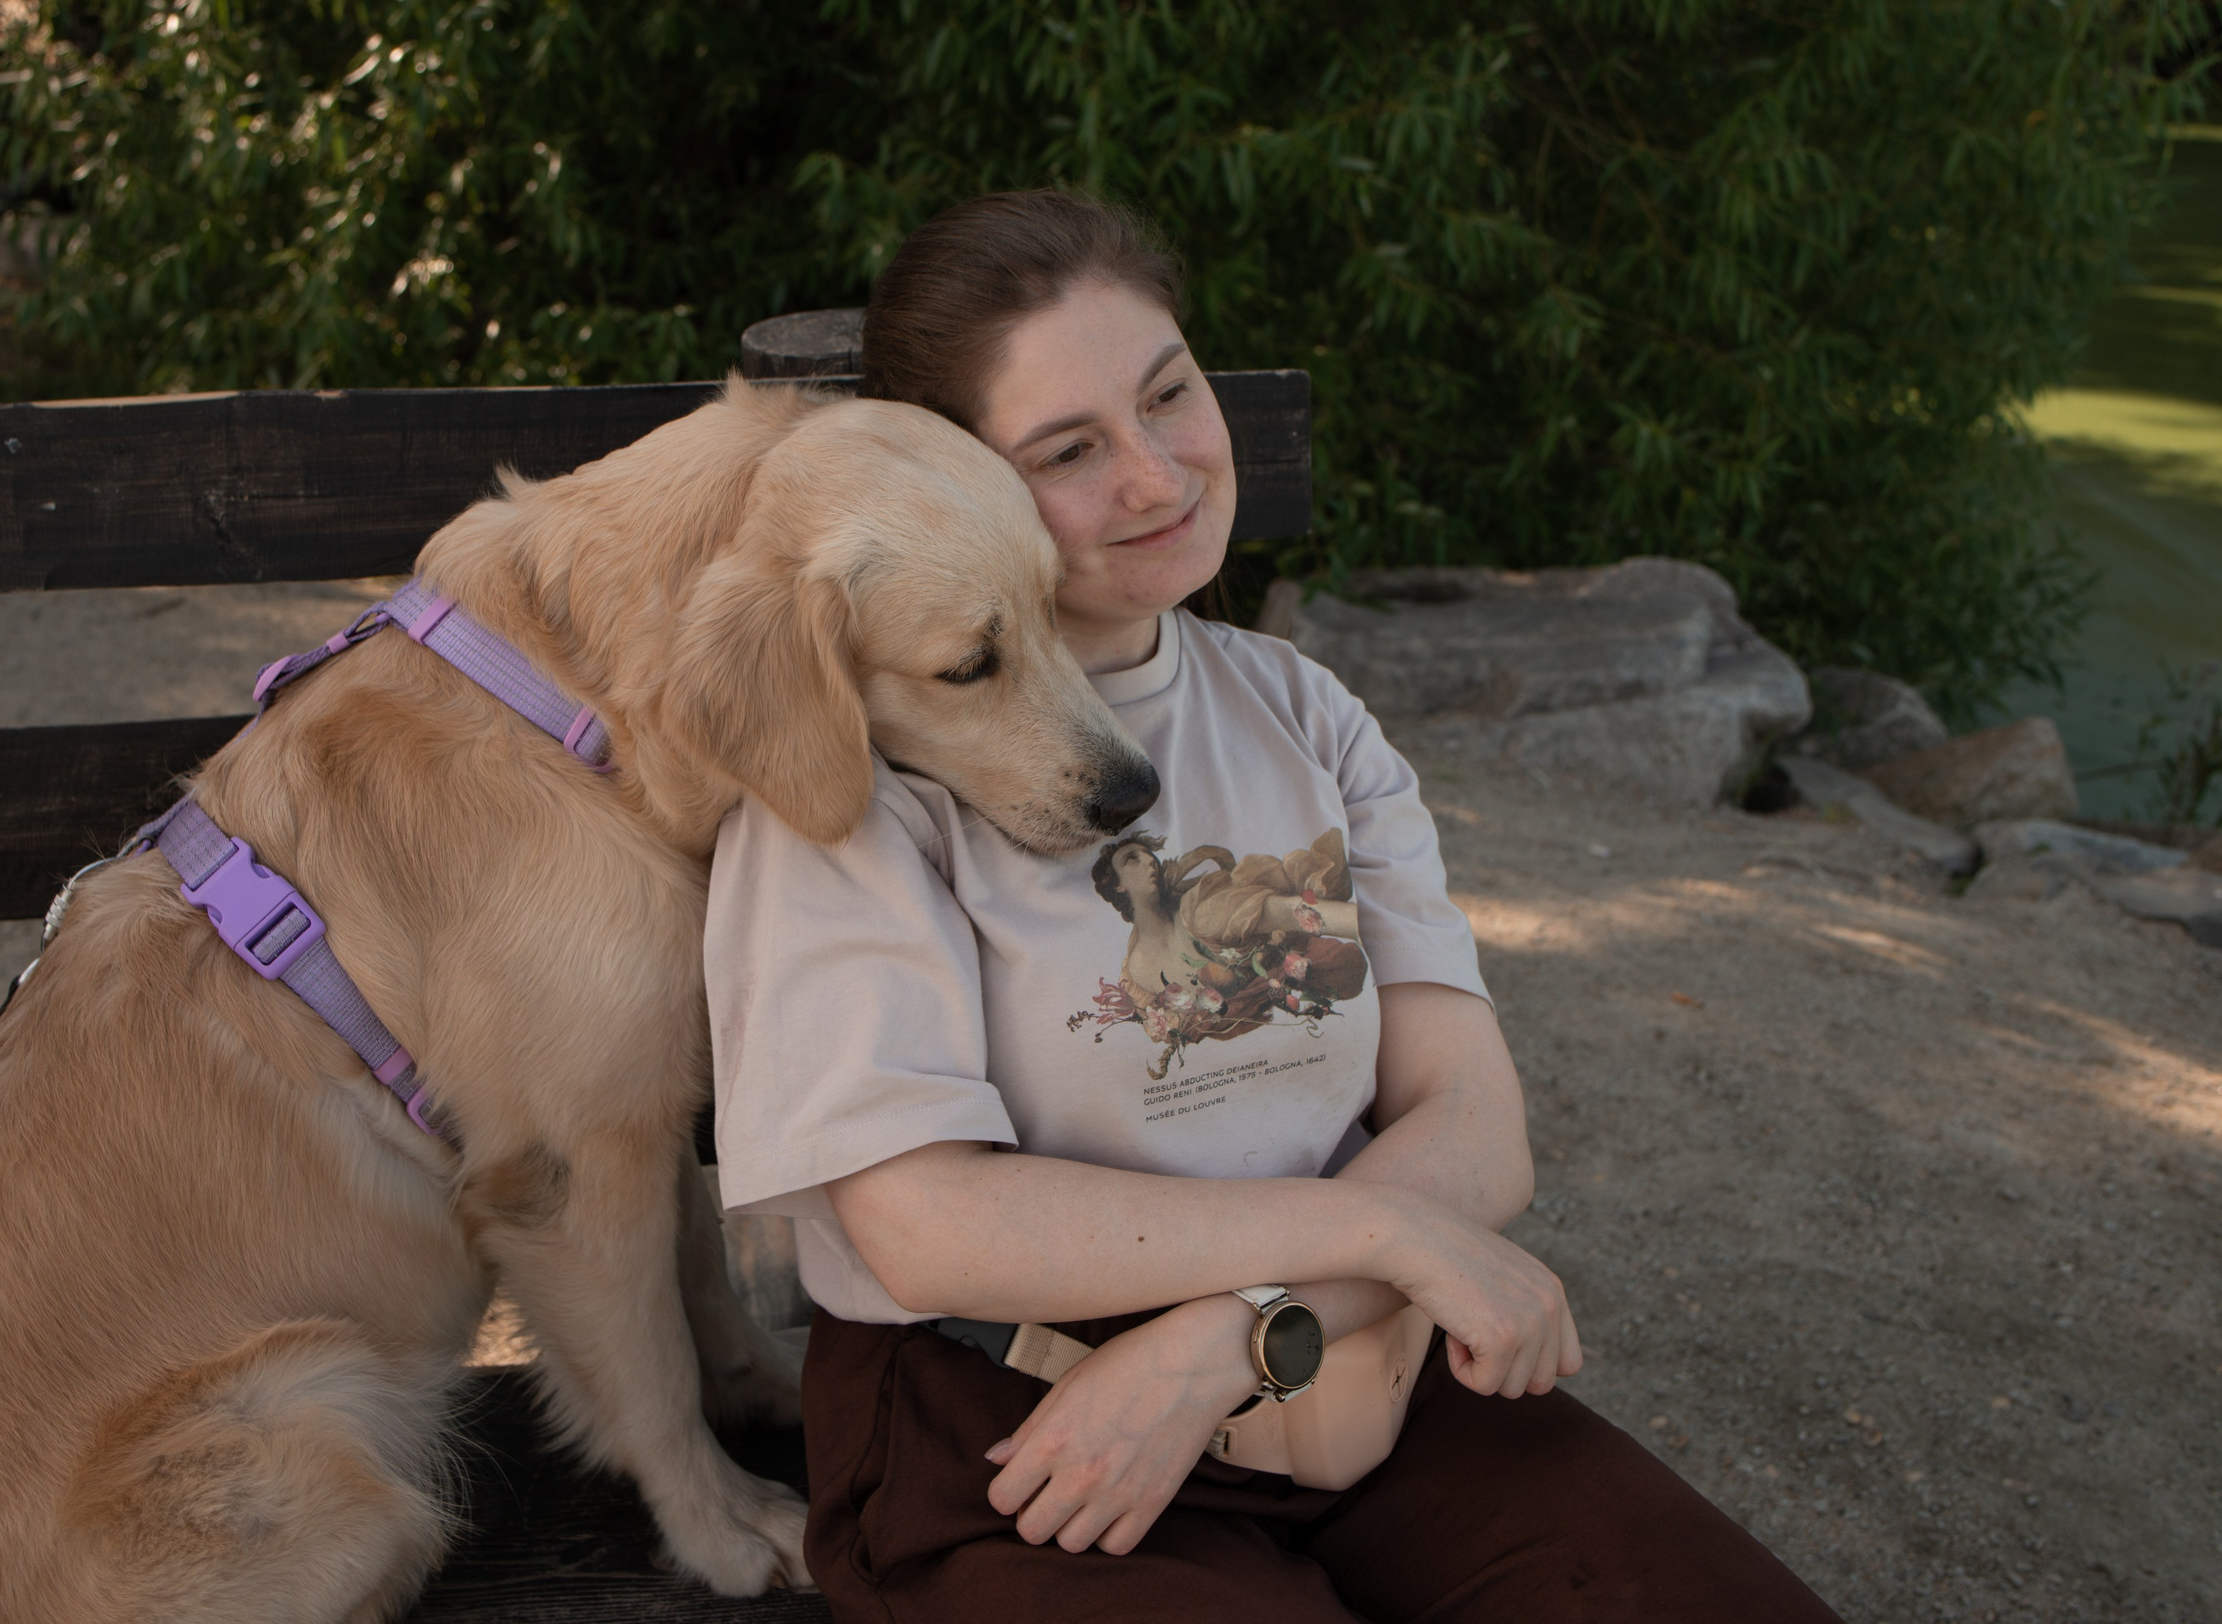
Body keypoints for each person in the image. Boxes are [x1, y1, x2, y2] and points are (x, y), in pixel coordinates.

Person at [705, 190, 1840, 1623]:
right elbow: (921, 1222)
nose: (1154, 473)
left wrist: (1230, 1339)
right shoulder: (860, 776)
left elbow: (1476, 1126)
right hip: (1013, 1425)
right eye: (1067, 450)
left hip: (1354, 1369)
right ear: (970, 489)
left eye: (1167, 393)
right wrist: (1378, 1234)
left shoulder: (1307, 714)